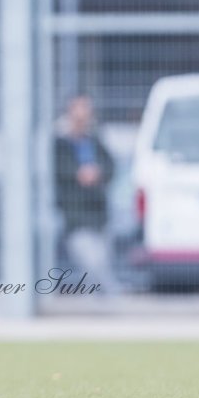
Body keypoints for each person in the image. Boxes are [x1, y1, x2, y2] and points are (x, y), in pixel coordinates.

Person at [52, 94, 118, 292]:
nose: (83, 118)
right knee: (93, 264)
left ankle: (96, 310)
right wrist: (78, 173)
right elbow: (59, 171)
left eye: (86, 112)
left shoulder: (95, 141)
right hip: (76, 217)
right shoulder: (60, 144)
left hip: (100, 215)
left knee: (100, 266)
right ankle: (114, 300)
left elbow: (111, 167)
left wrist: (97, 173)